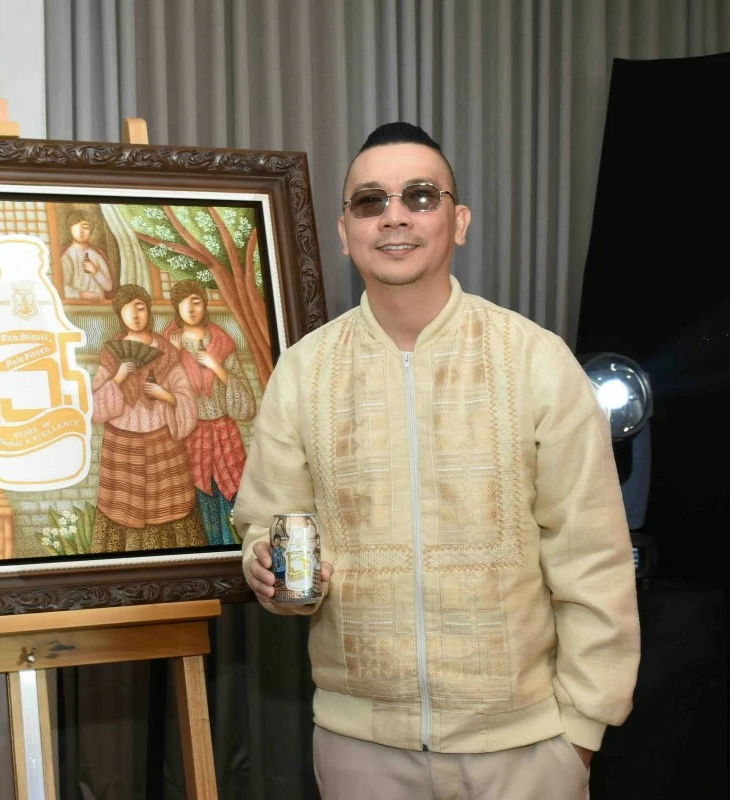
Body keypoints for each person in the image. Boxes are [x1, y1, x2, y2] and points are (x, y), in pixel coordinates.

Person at [234, 122, 640, 799]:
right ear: (344, 231)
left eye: (420, 197)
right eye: (370, 201)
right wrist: (266, 570)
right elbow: (264, 524)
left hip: (527, 747)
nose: (394, 214)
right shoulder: (305, 372)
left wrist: (580, 736)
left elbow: (592, 555)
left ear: (459, 221)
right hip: (361, 749)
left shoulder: (534, 360)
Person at [90, 284, 204, 552]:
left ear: (148, 311)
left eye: (140, 308)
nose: (136, 315)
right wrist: (118, 377)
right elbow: (94, 407)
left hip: (162, 441)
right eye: (129, 310)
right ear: (121, 315)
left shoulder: (166, 352)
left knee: (168, 507)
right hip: (122, 443)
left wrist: (165, 395)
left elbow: (185, 396)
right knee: (122, 510)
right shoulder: (111, 353)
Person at [161, 279, 256, 545]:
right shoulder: (168, 344)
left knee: (233, 495)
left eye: (196, 301)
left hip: (224, 432)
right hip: (191, 434)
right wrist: (175, 354)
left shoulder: (222, 342)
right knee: (200, 500)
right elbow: (158, 390)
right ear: (175, 308)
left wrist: (217, 367)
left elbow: (247, 404)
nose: (190, 309)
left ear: (204, 305)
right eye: (183, 303)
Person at [60, 212, 114, 300]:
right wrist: (81, 294)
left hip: (99, 305)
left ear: (91, 231)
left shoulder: (97, 256)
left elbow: (108, 287)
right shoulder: (67, 256)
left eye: (85, 227)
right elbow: (61, 287)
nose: (81, 231)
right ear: (70, 229)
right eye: (76, 227)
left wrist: (96, 271)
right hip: (78, 305)